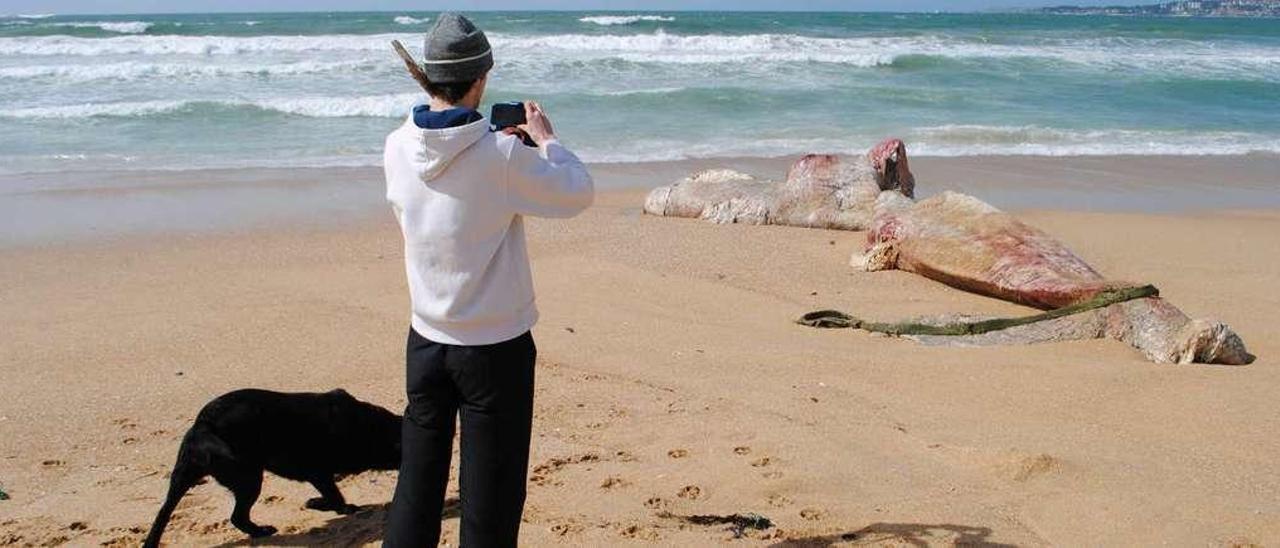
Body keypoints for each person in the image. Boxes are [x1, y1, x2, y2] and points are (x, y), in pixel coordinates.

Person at [381, 12, 594, 548]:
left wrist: (503, 151)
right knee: (490, 496)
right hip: (494, 348)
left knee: (418, 483)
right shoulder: (502, 157)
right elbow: (576, 192)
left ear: (429, 77)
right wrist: (545, 141)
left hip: (425, 339)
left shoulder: (395, 146)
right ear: (481, 78)